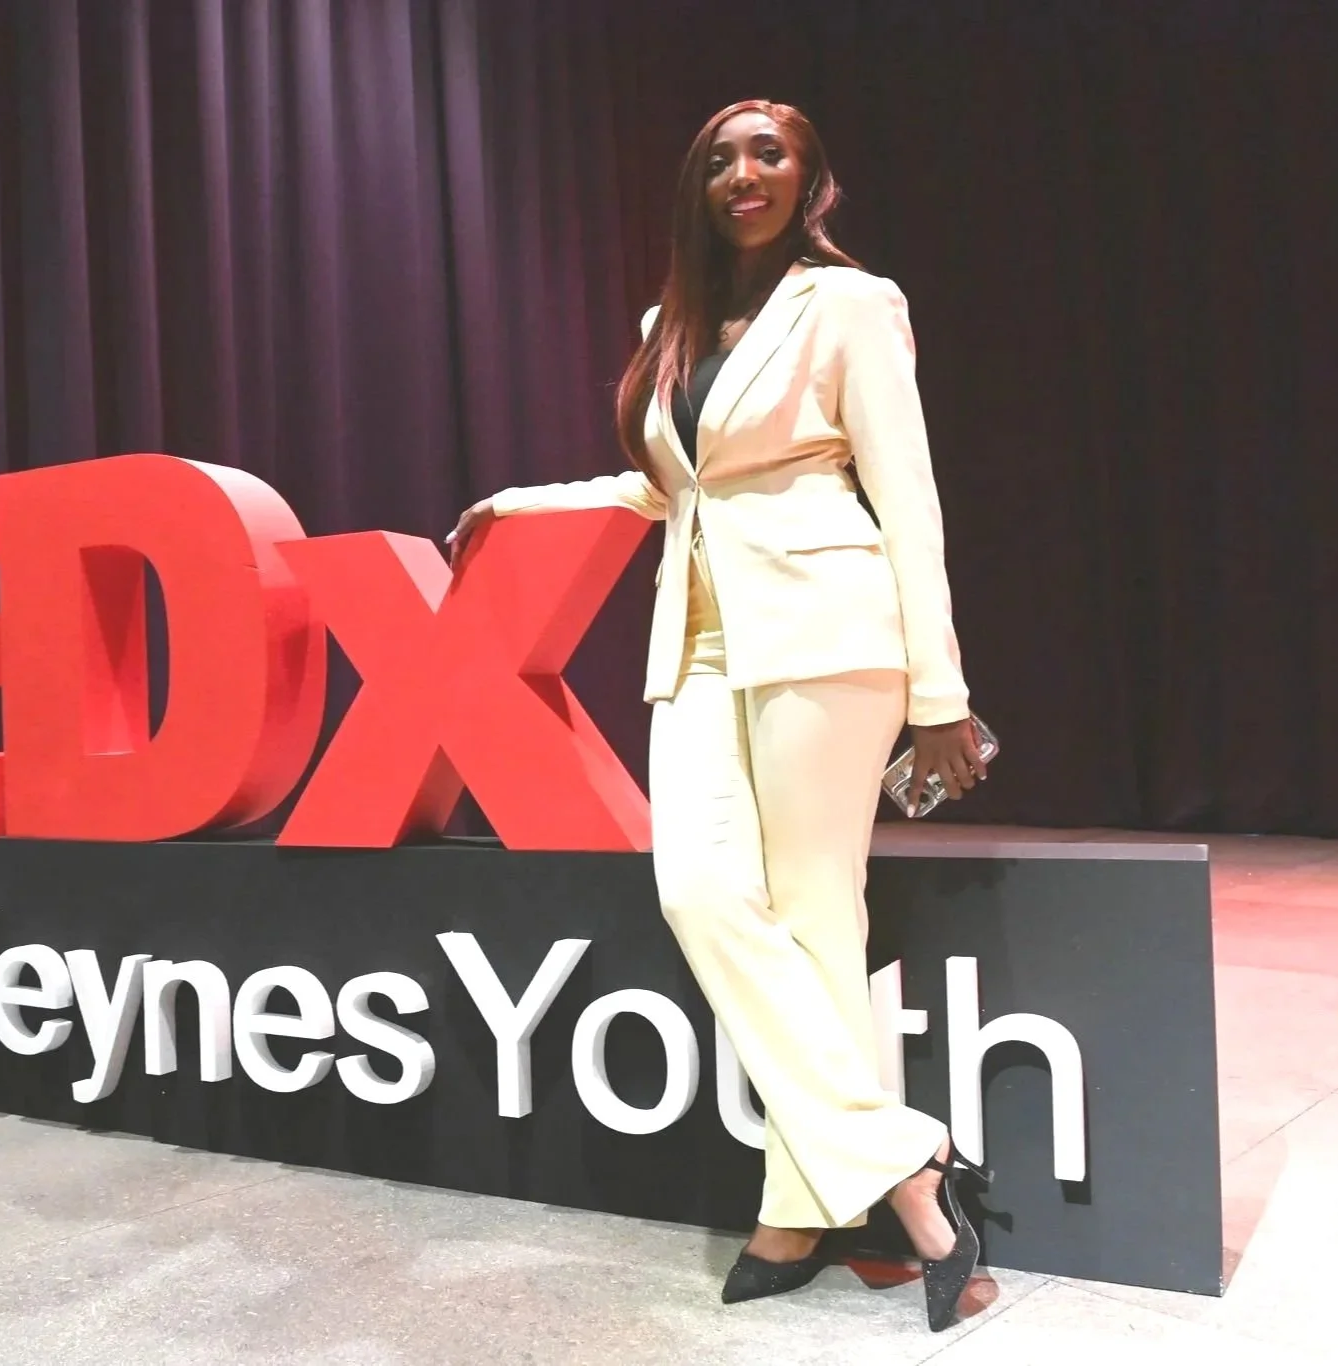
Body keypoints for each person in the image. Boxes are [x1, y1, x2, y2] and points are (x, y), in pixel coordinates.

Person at [448, 100, 991, 1333]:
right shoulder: (669, 325)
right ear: (693, 187)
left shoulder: (850, 305)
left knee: (813, 916)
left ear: (807, 179)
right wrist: (521, 503)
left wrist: (937, 691)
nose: (739, 173)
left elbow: (906, 499)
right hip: (691, 638)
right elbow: (667, 485)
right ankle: (910, 1168)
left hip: (825, 628)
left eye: (767, 153)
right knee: (696, 889)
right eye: (716, 158)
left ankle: (798, 1205)